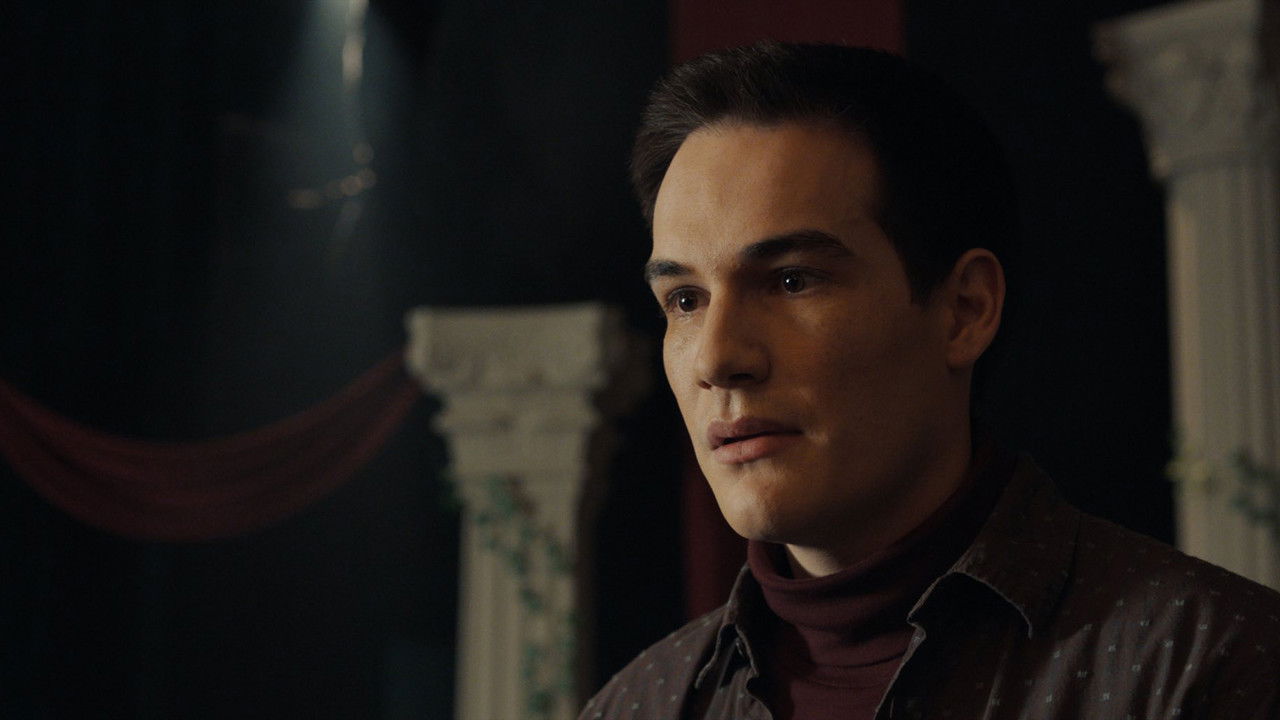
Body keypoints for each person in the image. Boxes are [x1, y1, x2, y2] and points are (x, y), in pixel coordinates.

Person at [580, 42, 1280, 720]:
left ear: (964, 310)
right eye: (685, 300)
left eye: (792, 281)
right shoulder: (639, 706)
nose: (715, 358)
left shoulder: (1211, 666)